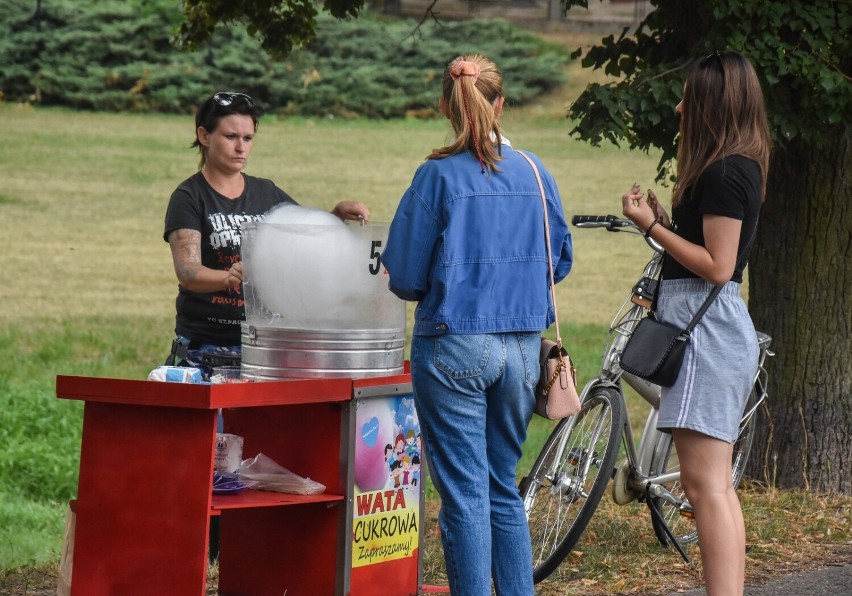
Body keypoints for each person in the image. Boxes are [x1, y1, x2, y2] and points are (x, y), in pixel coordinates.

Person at [383, 55, 573, 596]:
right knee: (501, 488)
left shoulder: (436, 175)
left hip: (453, 345)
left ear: (446, 105)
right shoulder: (536, 172)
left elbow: (404, 276)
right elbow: (558, 262)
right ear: (500, 103)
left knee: (465, 494)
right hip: (521, 350)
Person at [620, 50, 770, 595]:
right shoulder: (733, 167)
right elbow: (703, 252)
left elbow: (718, 266)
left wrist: (652, 230)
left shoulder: (728, 172)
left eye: (691, 97)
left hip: (705, 333)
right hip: (705, 328)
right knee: (711, 485)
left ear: (714, 105)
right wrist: (662, 222)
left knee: (706, 485)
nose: (681, 107)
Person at [163, 91, 369, 377]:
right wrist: (229, 277)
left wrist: (335, 216)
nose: (241, 147)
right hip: (205, 351)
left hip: (264, 348)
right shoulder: (189, 197)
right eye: (231, 136)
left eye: (248, 139)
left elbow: (304, 242)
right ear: (204, 135)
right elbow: (187, 271)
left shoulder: (266, 193)